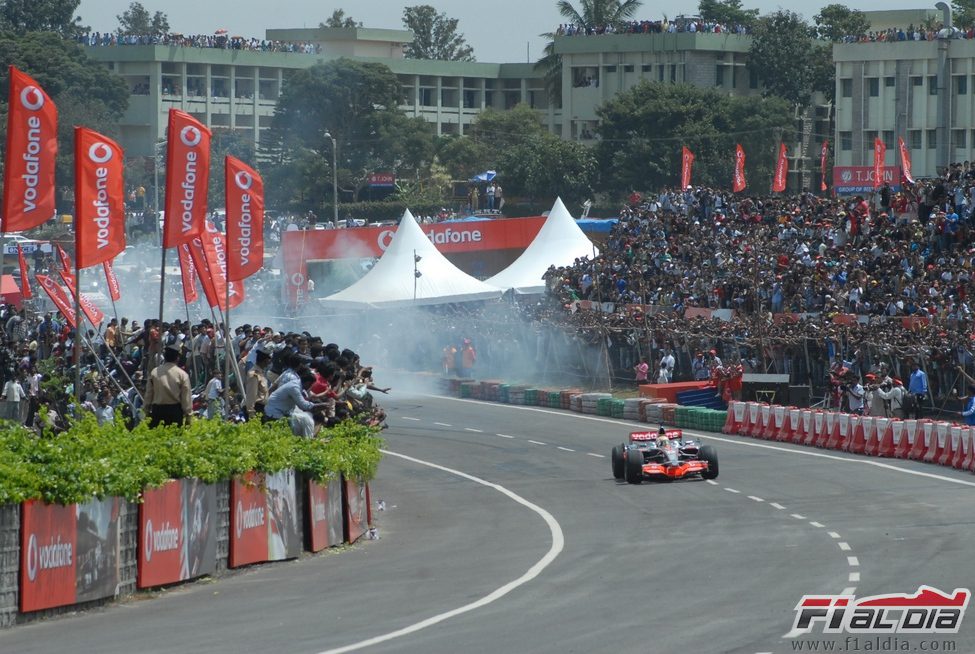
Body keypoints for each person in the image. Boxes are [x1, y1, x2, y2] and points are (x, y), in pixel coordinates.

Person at [144, 344, 193, 427]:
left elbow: (149, 394)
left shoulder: (154, 372)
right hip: (175, 412)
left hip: (157, 411)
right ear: (178, 358)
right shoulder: (182, 374)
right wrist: (188, 417)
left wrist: (146, 411)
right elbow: (186, 398)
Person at [245, 350, 270, 418]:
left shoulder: (261, 373)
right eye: (268, 361)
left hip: (262, 407)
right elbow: (251, 394)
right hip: (256, 407)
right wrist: (251, 411)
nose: (269, 363)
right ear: (264, 361)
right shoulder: (254, 374)